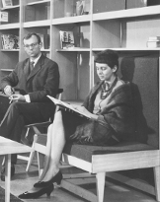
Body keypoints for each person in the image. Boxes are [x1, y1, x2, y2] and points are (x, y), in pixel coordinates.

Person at [18, 49, 136, 199]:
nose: (99, 72)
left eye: (104, 68)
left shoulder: (124, 88)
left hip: (109, 132)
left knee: (57, 118)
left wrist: (90, 115)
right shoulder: (99, 86)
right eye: (98, 68)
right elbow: (86, 106)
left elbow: (121, 120)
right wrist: (77, 110)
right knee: (53, 124)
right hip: (93, 126)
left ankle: (51, 173)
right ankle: (49, 173)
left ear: (114, 68)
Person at [0, 32, 59, 181]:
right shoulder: (22, 64)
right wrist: (6, 87)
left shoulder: (51, 65)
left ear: (40, 45)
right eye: (27, 46)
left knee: (16, 106)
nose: (30, 48)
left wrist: (25, 97)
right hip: (24, 110)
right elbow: (6, 79)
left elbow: (49, 92)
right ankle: (9, 165)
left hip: (42, 109)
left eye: (33, 45)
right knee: (17, 117)